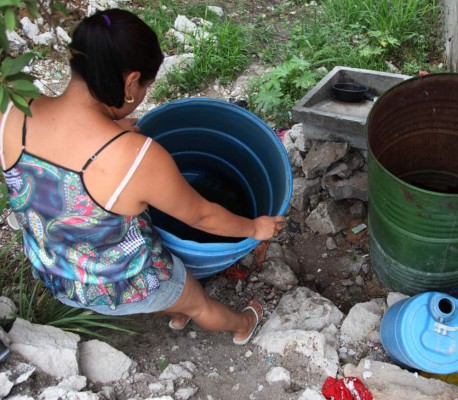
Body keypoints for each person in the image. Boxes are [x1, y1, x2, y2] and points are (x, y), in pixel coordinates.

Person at [0, 9, 284, 345]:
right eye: (147, 85)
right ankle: (241, 326)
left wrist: (108, 128)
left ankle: (174, 311)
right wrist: (255, 228)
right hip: (120, 284)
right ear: (131, 81)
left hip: (57, 277)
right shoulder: (135, 157)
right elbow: (203, 215)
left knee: (168, 296)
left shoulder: (12, 111)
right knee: (197, 301)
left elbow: (63, 160)